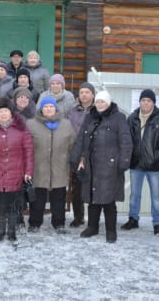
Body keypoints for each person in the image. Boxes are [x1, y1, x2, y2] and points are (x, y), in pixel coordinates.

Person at [71, 91, 132, 243]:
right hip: (91, 164)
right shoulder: (90, 116)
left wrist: (124, 161)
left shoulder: (119, 118)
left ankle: (111, 231)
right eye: (97, 102)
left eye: (102, 102)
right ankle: (92, 227)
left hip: (110, 165)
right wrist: (77, 158)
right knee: (93, 199)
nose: (99, 104)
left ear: (109, 102)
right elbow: (81, 139)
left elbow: (126, 141)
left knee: (108, 200)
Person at [0, 97, 34, 242]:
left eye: (6, 111)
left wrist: (28, 172)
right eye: (0, 111)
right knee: (0, 205)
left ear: (11, 113)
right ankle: (0, 230)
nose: (3, 114)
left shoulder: (22, 129)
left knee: (13, 205)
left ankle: (11, 231)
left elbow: (28, 151)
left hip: (15, 173)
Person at [121, 89, 159, 235]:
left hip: (154, 165)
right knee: (135, 194)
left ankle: (158, 223)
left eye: (149, 100)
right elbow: (127, 140)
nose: (145, 103)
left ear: (153, 102)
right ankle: (133, 219)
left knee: (157, 196)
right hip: (136, 164)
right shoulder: (132, 118)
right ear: (140, 101)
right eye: (143, 100)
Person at [26, 97, 76, 233]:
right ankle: (34, 223)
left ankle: (59, 223)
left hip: (59, 167)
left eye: (51, 106)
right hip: (38, 168)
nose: (48, 109)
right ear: (41, 109)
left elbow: (73, 144)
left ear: (56, 108)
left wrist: (70, 161)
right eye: (46, 106)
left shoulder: (66, 124)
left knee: (59, 198)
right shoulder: (31, 124)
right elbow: (26, 146)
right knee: (37, 199)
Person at [66, 82, 95, 227]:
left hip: (93, 153)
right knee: (76, 188)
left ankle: (93, 218)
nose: (84, 95)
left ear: (93, 95)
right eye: (82, 92)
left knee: (93, 187)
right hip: (75, 152)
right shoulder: (72, 111)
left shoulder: (97, 111)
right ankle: (78, 217)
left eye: (87, 92)